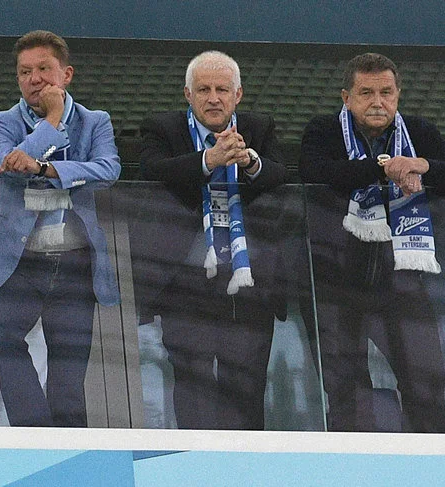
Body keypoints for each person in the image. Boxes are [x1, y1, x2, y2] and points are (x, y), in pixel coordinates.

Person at [299, 52, 445, 432]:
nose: (378, 102)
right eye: (366, 93)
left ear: (398, 94)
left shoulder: (419, 133)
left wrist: (422, 165)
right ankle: (353, 461)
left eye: (386, 92)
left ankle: (428, 459)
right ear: (346, 98)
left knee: (426, 380)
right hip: (337, 282)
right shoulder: (323, 131)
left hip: (403, 280)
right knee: (347, 387)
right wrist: (385, 169)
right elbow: (317, 173)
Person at [0, 30, 121, 427]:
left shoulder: (95, 121)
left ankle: (69, 447)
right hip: (18, 262)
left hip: (74, 263)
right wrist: (52, 121)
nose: (34, 79)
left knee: (68, 379)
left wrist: (46, 169)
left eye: (43, 69)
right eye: (25, 72)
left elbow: (108, 169)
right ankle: (33, 433)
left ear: (66, 74)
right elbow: (8, 165)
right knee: (2, 340)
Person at [139, 51, 288, 430]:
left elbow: (282, 175)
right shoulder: (162, 128)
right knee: (193, 384)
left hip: (250, 285)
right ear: (187, 95)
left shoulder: (259, 127)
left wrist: (249, 160)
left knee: (247, 387)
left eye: (222, 90)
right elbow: (152, 171)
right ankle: (195, 459)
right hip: (186, 285)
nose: (213, 98)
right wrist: (209, 159)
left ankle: (244, 461)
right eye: (203, 90)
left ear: (238, 95)